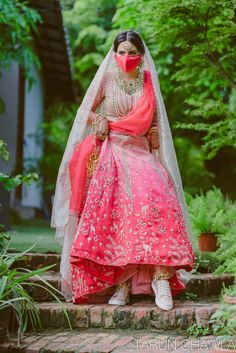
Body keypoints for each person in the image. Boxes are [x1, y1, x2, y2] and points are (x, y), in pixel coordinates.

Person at [50, 30, 195, 311]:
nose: (126, 58)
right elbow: (85, 113)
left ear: (141, 56)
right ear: (114, 54)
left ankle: (160, 277)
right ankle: (122, 283)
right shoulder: (106, 79)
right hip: (113, 150)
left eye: (131, 52)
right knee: (118, 207)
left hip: (141, 151)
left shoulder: (148, 82)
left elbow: (154, 121)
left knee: (158, 198)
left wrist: (153, 133)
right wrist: (100, 119)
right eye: (121, 52)